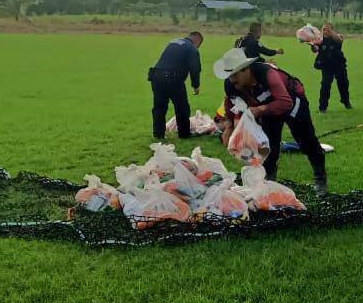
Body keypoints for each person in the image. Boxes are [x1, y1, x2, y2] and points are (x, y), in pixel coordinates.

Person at [215, 48, 327, 194]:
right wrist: (229, 127)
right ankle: (269, 182)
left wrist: (259, 110)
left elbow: (285, 102)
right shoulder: (231, 84)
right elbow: (230, 102)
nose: (232, 79)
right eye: (229, 75)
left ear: (246, 69)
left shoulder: (267, 74)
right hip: (268, 109)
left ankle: (320, 179)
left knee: (306, 141)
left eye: (235, 74)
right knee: (268, 147)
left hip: (293, 104)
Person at [149, 32, 203, 140]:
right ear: (197, 41)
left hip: (156, 75)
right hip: (172, 78)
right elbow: (195, 68)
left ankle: (158, 134)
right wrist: (195, 85)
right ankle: (184, 134)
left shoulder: (173, 42)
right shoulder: (192, 49)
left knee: (159, 107)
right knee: (182, 107)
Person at [311, 22, 351, 113]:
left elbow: (339, 41)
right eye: (324, 29)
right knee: (325, 86)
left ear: (332, 30)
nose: (325, 31)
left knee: (344, 84)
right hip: (327, 66)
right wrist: (314, 46)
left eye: (327, 29)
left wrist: (331, 32)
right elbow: (315, 49)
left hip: (339, 64)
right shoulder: (320, 40)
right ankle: (323, 108)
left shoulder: (337, 37)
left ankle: (346, 102)